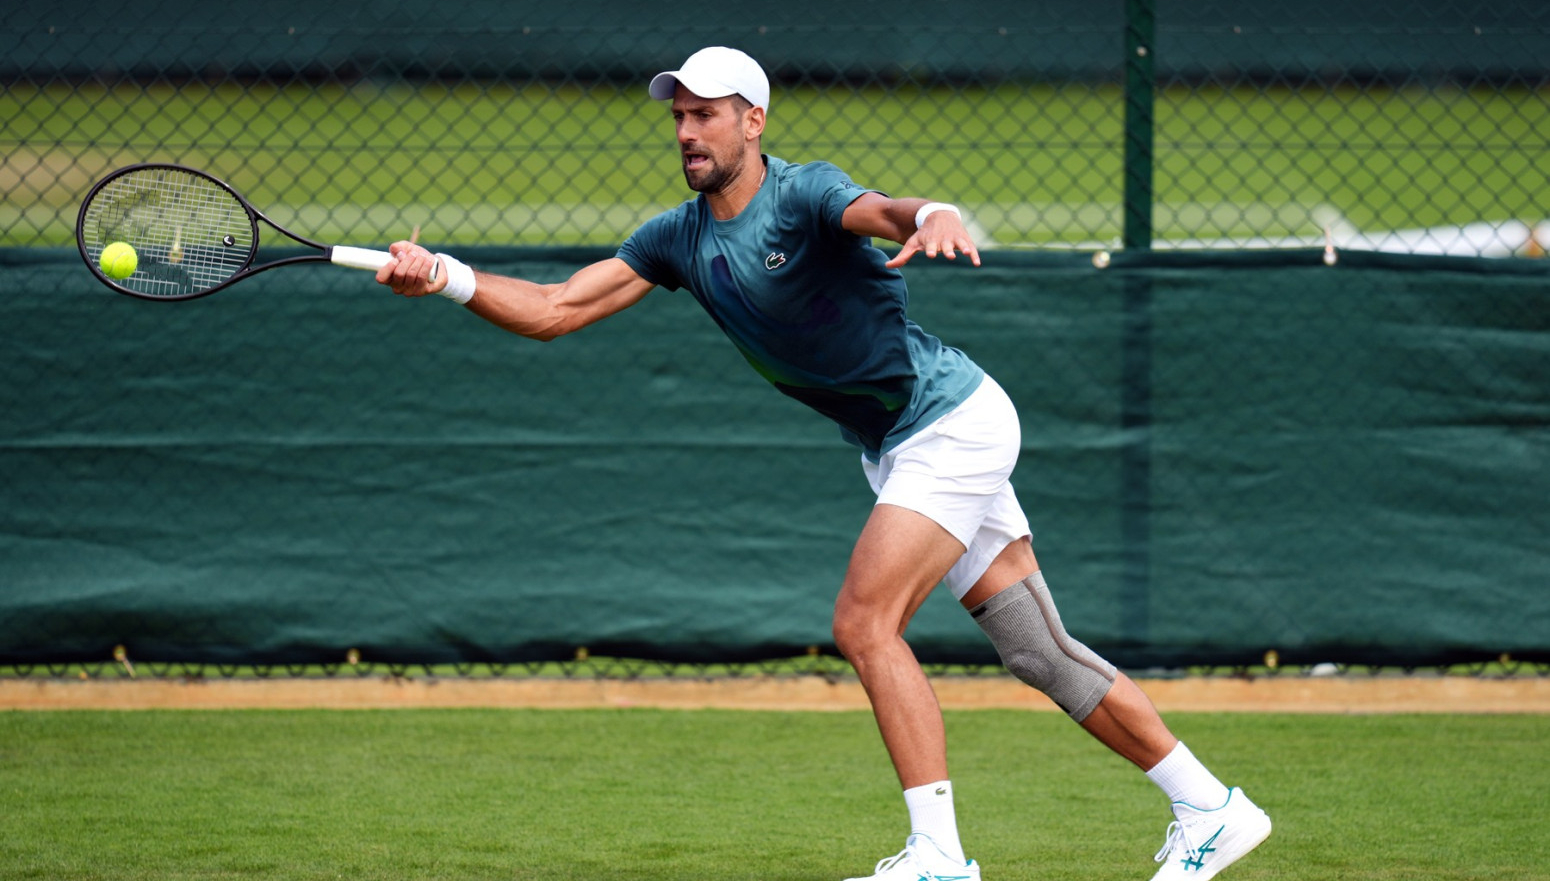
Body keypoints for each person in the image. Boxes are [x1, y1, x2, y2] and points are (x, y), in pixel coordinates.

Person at [375, 46, 1271, 881]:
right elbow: (555, 306)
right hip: (903, 442)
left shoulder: (804, 196)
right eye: (679, 116)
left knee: (863, 622)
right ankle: (1209, 807)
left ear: (753, 121)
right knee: (1037, 649)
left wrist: (932, 213)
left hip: (948, 423)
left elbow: (884, 213)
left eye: (707, 115)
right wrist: (447, 276)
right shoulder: (675, 238)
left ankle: (938, 857)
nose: (688, 132)